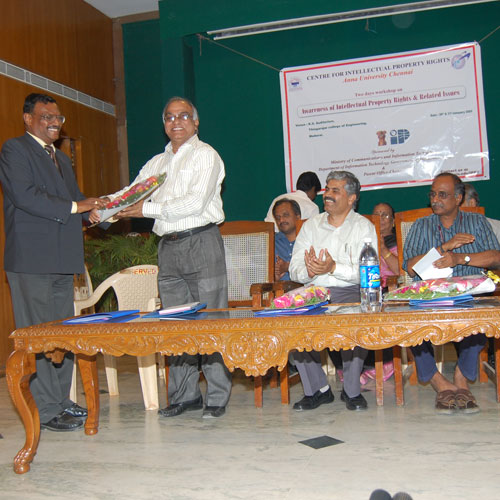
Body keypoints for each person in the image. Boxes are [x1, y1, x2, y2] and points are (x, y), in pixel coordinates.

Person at [94, 96, 231, 419]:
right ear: (164, 124)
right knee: (175, 323)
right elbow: (132, 192)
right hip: (167, 247)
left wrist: (145, 209)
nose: (176, 122)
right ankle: (185, 395)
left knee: (211, 320)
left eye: (183, 116)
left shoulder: (206, 155)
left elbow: (194, 203)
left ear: (195, 122)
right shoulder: (157, 162)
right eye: (170, 117)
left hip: (201, 241)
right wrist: (104, 205)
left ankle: (217, 396)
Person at [0, 93, 107, 431]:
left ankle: (61, 401)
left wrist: (98, 213)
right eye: (45, 116)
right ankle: (45, 410)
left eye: (58, 117)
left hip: (62, 259)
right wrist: (78, 207)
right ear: (27, 119)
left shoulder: (60, 157)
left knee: (62, 335)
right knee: (40, 337)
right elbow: (26, 196)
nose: (54, 122)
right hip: (32, 260)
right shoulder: (15, 150)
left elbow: (74, 202)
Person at [403, 172, 500, 414]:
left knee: (482, 314)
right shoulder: (421, 225)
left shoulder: (476, 222)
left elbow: (495, 257)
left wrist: (459, 258)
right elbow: (410, 266)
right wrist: (444, 248)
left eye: (442, 195)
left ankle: (461, 378)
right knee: (408, 322)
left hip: (470, 292)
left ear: (458, 198)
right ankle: (439, 382)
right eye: (433, 194)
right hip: (430, 294)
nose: (435, 199)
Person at [289, 170, 377, 411]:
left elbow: (368, 272)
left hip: (350, 291)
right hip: (314, 291)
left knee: (355, 319)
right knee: (291, 322)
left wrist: (333, 267)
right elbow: (294, 269)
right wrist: (309, 271)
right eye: (327, 189)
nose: (327, 194)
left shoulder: (363, 227)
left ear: (351, 198)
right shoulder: (311, 226)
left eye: (335, 190)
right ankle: (318, 390)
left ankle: (352, 391)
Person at [272, 198, 301, 281]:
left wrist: (288, 267)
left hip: (308, 288)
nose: (281, 220)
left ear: (298, 217)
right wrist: (273, 279)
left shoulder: (309, 239)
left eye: (285, 215)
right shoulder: (270, 243)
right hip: (279, 288)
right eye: (278, 217)